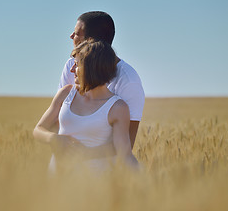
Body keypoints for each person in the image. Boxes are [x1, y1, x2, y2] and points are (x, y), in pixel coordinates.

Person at [33, 40, 138, 174]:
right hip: (56, 181)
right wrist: (53, 139)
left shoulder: (117, 107)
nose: (71, 70)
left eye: (76, 64)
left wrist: (85, 153)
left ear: (91, 68)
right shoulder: (65, 94)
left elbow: (124, 152)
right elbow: (38, 129)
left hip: (94, 186)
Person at [59, 11, 145, 149]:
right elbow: (60, 118)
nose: (71, 36)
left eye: (76, 33)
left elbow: (127, 143)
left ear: (90, 42)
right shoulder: (71, 65)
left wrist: (81, 155)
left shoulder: (129, 81)